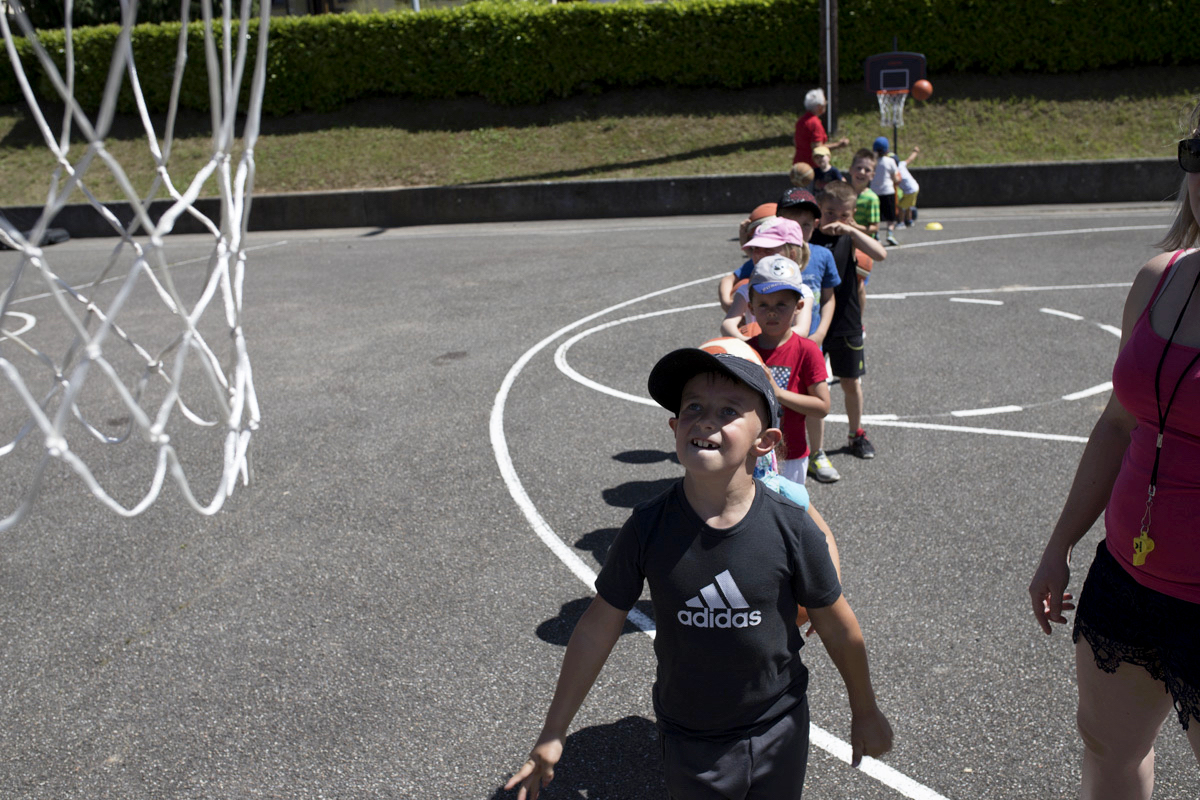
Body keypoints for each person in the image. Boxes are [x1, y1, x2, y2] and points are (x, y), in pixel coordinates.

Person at [504, 347, 892, 800]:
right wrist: (554, 730)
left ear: (765, 441)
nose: (706, 421)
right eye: (693, 408)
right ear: (674, 428)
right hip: (690, 739)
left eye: (728, 411)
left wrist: (864, 708)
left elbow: (837, 625)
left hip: (780, 725)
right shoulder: (647, 527)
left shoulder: (792, 526)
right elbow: (596, 627)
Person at [1028, 104, 1200, 800]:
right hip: (1127, 577)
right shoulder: (1161, 278)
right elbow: (1118, 425)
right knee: (1107, 750)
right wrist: (1059, 544)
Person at [809, 181, 888, 468]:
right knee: (814, 388)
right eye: (830, 213)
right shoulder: (809, 236)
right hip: (813, 324)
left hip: (846, 320)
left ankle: (856, 434)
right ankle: (815, 451)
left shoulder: (850, 237)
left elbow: (880, 254)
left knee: (851, 382)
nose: (836, 220)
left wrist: (852, 230)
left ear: (852, 215)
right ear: (819, 209)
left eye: (843, 215)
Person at [745, 256, 831, 483]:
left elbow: (822, 407)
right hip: (749, 453)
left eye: (781, 304)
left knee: (789, 504)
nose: (772, 312)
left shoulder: (807, 350)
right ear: (751, 307)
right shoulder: (745, 351)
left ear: (799, 307)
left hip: (792, 457)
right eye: (763, 304)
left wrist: (778, 393)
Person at [719, 218, 814, 341]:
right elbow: (727, 324)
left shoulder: (802, 291)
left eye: (768, 249)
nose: (759, 254)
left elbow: (802, 329)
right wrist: (747, 341)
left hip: (787, 349)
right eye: (756, 248)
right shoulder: (746, 290)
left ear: (791, 255)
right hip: (753, 349)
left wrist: (769, 339)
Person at [793, 88, 850, 169]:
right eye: (825, 103)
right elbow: (818, 148)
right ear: (819, 106)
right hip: (812, 166)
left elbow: (795, 141)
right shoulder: (815, 123)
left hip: (798, 164)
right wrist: (839, 145)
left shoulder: (801, 121)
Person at [869, 137, 900, 246]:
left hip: (874, 192)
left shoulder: (872, 162)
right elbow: (895, 177)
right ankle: (890, 234)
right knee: (890, 216)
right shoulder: (890, 161)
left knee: (876, 216)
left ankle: (876, 235)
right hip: (888, 191)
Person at [847, 149, 880, 241]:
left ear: (872, 175)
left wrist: (855, 227)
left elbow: (875, 228)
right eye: (858, 168)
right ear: (850, 170)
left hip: (863, 243)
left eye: (867, 170)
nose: (862, 172)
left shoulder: (871, 198)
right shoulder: (843, 193)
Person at [897, 146, 921, 227]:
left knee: (901, 206)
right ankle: (909, 220)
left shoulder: (894, 171)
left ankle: (901, 223)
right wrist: (915, 152)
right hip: (915, 187)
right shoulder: (901, 164)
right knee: (908, 206)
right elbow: (910, 159)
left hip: (909, 190)